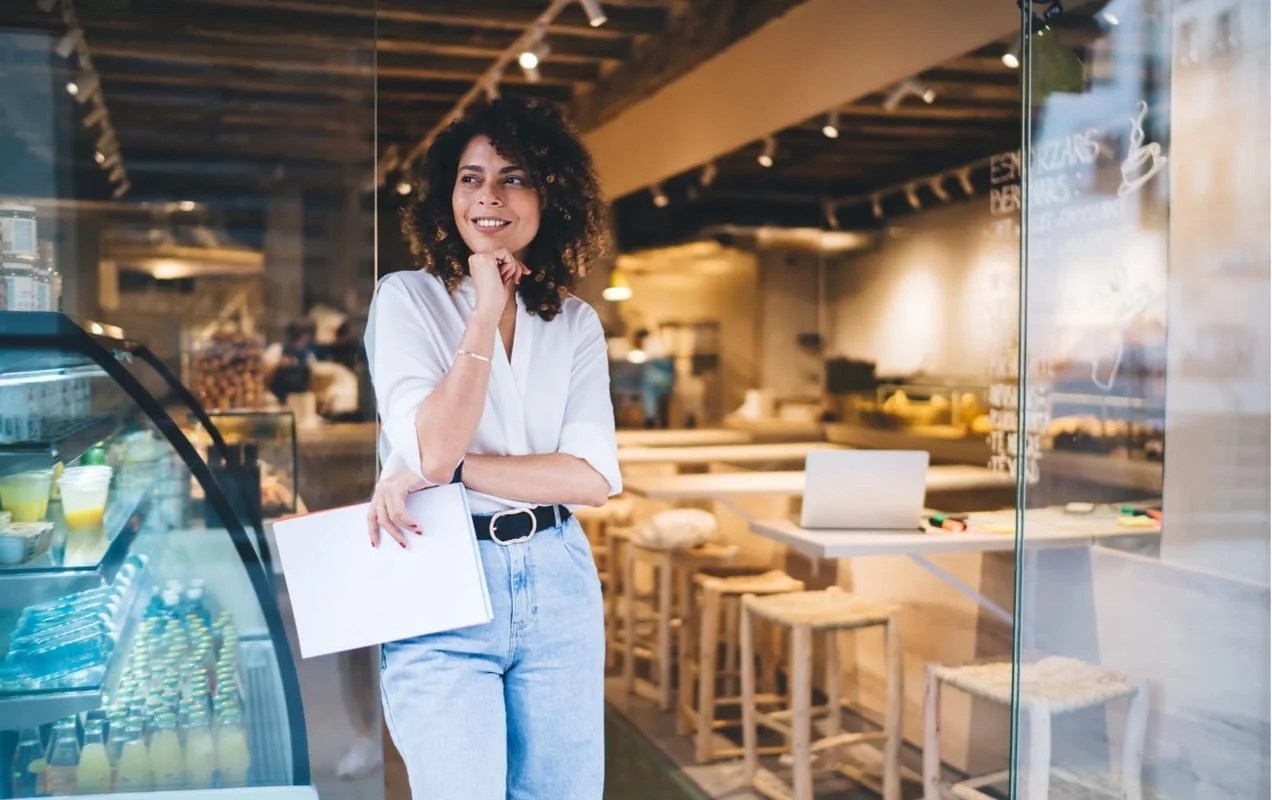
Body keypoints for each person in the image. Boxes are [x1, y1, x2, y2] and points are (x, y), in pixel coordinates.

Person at [363, 97, 621, 799]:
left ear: (549, 195)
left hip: (556, 576)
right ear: (448, 195)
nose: (489, 197)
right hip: (441, 579)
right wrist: (481, 311)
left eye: (514, 178)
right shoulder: (408, 301)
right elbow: (434, 446)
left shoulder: (573, 322)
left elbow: (591, 479)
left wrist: (458, 470)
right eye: (470, 178)